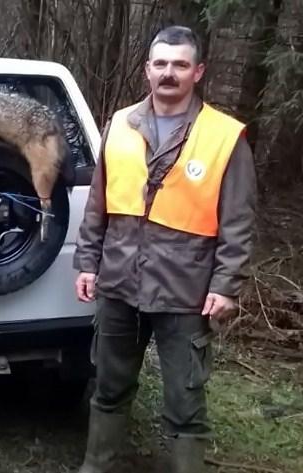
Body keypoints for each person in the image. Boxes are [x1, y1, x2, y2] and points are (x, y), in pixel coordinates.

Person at [74, 26, 256, 473]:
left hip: (186, 289)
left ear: (198, 71)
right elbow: (99, 202)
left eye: (179, 64)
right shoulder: (119, 124)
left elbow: (238, 219)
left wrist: (227, 285)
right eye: (160, 64)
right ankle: (98, 466)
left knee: (185, 400)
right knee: (109, 386)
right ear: (146, 71)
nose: (168, 73)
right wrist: (87, 262)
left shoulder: (224, 135)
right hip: (119, 281)